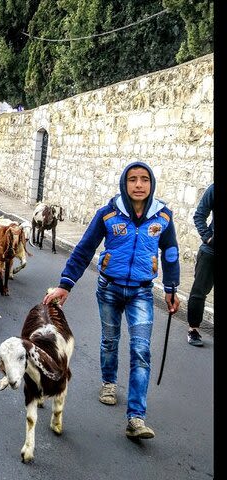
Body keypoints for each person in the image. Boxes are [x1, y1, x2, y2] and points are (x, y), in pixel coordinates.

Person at [43, 161, 180, 440]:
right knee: (110, 339)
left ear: (151, 184)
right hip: (109, 288)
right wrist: (65, 285)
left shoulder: (163, 217)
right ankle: (108, 382)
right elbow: (84, 249)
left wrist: (171, 287)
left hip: (142, 291)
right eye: (132, 179)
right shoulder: (108, 214)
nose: (138, 185)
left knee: (141, 350)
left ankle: (136, 418)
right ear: (124, 183)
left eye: (144, 179)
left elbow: (171, 252)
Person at [186, 183, 214, 346]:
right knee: (199, 292)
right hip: (210, 252)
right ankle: (193, 330)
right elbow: (199, 215)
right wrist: (208, 238)